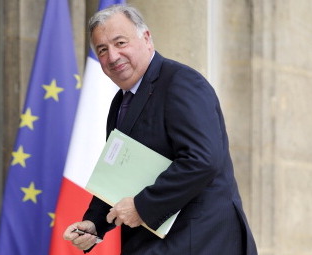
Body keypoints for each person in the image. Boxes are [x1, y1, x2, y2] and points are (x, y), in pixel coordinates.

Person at [63, 4, 258, 255]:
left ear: (146, 38)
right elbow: (119, 175)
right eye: (102, 50)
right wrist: (94, 224)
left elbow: (202, 160)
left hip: (200, 241)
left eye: (120, 43)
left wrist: (142, 207)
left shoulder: (182, 82)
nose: (112, 56)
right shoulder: (120, 102)